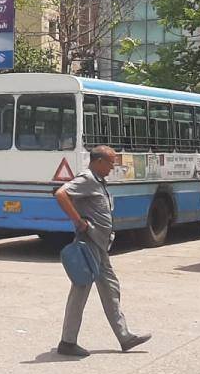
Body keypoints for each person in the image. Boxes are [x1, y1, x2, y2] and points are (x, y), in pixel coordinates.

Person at [54, 145, 151, 357]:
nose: (112, 167)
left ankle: (125, 337)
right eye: (110, 163)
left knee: (111, 289)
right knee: (80, 292)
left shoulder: (98, 181)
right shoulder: (87, 178)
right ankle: (67, 342)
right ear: (98, 161)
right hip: (88, 243)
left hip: (100, 246)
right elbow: (61, 194)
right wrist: (79, 222)